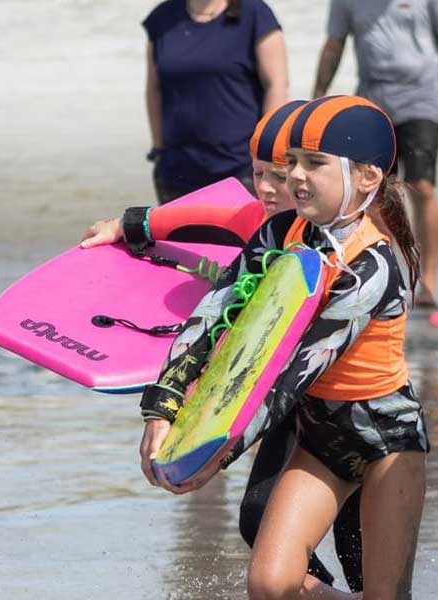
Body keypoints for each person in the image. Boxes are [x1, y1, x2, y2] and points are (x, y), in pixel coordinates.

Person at [137, 96, 427, 599]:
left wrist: (212, 454)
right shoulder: (281, 232)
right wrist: (161, 406)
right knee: (271, 585)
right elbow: (212, 313)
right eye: (291, 161)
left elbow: (288, 375)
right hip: (321, 437)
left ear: (366, 177)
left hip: (386, 442)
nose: (295, 176)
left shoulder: (374, 269)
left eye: (314, 163)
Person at [82, 100, 369, 592]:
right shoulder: (262, 219)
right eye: (257, 174)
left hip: (347, 400)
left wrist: (220, 449)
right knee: (259, 518)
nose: (266, 188)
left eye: (278, 175)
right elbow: (185, 215)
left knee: (354, 538)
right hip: (283, 396)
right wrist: (128, 226)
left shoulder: (360, 242)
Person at [314, 0, 438, 306]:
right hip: (373, 99)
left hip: (421, 99)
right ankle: (390, 270)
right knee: (375, 193)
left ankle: (430, 281)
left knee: (422, 187)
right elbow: (334, 46)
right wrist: (318, 95)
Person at [145, 0, 289, 203]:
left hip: (241, 170)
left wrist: (266, 153)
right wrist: (159, 149)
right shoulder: (162, 18)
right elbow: (154, 88)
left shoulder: (255, 14)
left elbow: (277, 84)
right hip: (176, 172)